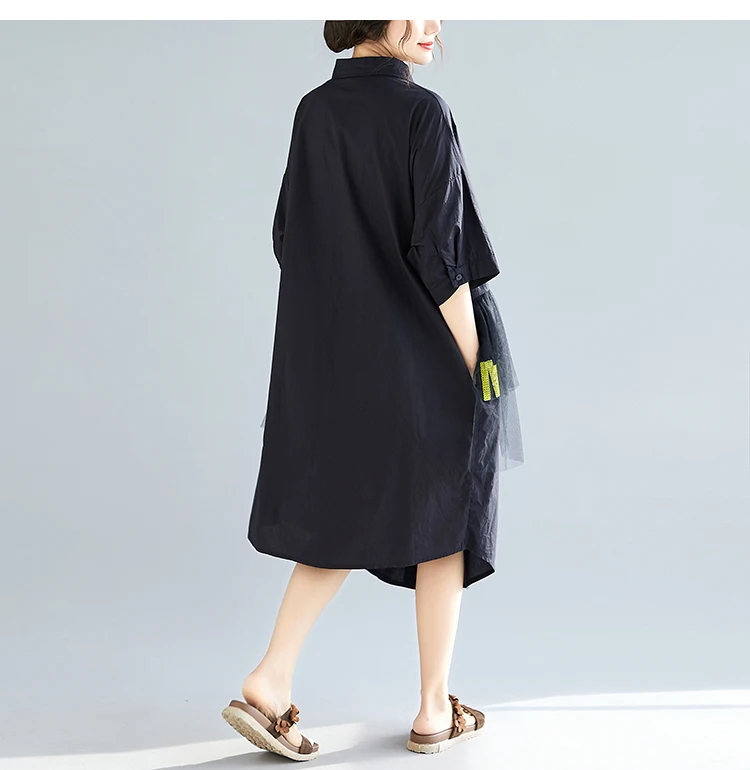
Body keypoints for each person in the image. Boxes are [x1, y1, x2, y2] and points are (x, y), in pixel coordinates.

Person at [221, 20, 524, 760]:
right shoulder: (423, 112)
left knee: (344, 510)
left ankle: (271, 676)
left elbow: (290, 238)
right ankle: (431, 709)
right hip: (427, 353)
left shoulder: (313, 111)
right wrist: (474, 363)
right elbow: (442, 257)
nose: (433, 25)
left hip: (338, 356)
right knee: (447, 517)